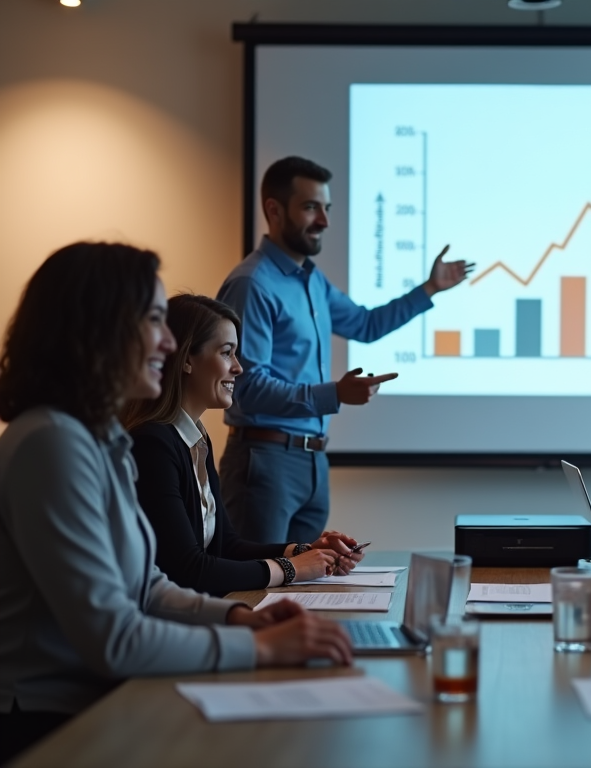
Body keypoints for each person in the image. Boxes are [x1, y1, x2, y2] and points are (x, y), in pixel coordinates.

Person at [0, 243, 353, 764]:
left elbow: (149, 586)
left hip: (99, 700)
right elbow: (115, 637)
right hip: (49, 724)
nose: (168, 342)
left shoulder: (101, 441)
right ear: (96, 329)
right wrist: (259, 647)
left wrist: (238, 619)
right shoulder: (50, 442)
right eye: (154, 320)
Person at [217, 156, 475, 543]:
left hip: (313, 463)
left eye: (327, 208)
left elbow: (365, 325)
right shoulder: (253, 284)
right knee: (260, 592)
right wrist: (333, 394)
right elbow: (247, 387)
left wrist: (429, 289)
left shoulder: (311, 280)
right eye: (310, 207)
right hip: (265, 461)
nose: (324, 221)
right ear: (274, 209)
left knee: (305, 586)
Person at [122, 294, 365, 597]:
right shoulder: (152, 446)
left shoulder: (195, 439)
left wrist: (304, 551)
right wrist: (294, 569)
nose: (238, 368)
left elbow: (226, 546)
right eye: (227, 353)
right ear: (185, 359)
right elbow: (188, 570)